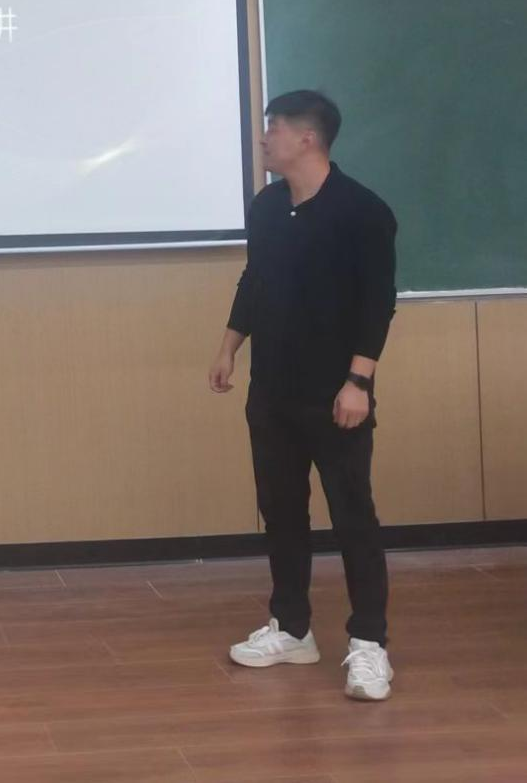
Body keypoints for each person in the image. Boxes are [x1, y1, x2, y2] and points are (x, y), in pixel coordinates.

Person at [209, 90, 398, 700]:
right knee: (282, 511)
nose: (265, 139)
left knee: (352, 514)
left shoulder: (362, 211)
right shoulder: (267, 207)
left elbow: (377, 303)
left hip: (336, 393)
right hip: (272, 391)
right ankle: (292, 629)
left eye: (274, 129)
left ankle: (369, 643)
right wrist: (230, 345)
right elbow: (255, 279)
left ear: (307, 138)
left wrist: (358, 382)